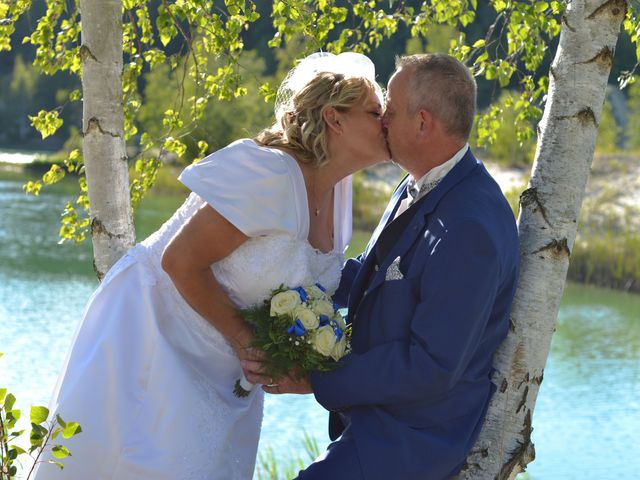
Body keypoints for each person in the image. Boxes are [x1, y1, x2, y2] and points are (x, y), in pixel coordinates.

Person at [33, 52, 389, 480]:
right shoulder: (271, 174)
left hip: (223, 368)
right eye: (374, 112)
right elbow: (179, 261)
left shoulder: (340, 192)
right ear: (334, 118)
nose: (386, 122)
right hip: (155, 331)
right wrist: (246, 341)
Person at [244, 53, 520, 479]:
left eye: (388, 110)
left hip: (411, 439)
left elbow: (431, 365)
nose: (381, 120)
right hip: (377, 421)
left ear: (423, 122)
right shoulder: (423, 182)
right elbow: (377, 277)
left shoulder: (470, 226)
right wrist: (278, 279)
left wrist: (317, 380)